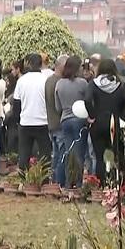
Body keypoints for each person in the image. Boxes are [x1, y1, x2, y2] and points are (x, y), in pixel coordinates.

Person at [84, 59, 125, 185]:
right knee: (117, 153)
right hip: (116, 123)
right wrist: (123, 117)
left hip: (98, 123)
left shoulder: (93, 84)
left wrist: (92, 115)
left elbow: (87, 100)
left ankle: (101, 183)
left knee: (100, 156)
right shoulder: (121, 84)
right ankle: (120, 182)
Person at [13, 54, 51, 170]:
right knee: (45, 155)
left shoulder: (21, 81)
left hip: (25, 122)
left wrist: (18, 120)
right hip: (43, 122)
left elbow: (16, 103)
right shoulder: (46, 80)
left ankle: (24, 180)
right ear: (41, 64)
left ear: (28, 64)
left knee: (24, 154)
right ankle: (44, 181)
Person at [55, 56, 88, 188]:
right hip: (79, 120)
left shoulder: (59, 84)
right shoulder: (82, 83)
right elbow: (88, 102)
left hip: (65, 120)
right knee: (79, 153)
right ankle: (78, 183)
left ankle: (69, 182)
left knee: (68, 152)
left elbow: (57, 107)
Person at [45, 55, 68, 183]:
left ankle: (54, 181)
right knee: (62, 155)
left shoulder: (49, 80)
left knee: (56, 155)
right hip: (59, 123)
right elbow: (58, 105)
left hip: (51, 123)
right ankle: (59, 182)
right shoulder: (59, 83)